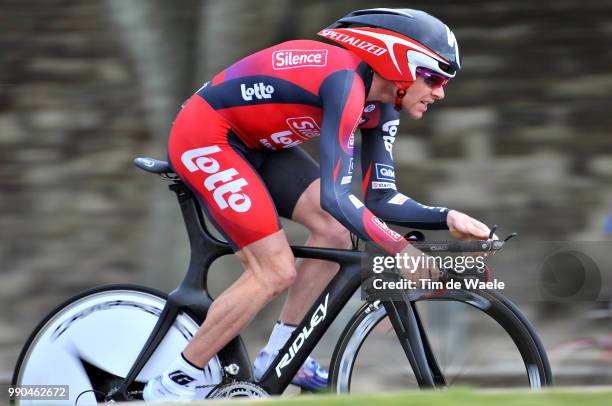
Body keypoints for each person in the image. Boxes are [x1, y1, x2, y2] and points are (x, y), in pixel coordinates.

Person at [143, 7, 494, 401]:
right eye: (433, 77)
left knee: (335, 230)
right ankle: (172, 385)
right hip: (208, 135)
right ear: (397, 61)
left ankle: (278, 355)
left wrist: (445, 217)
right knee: (273, 271)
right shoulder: (345, 83)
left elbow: (380, 198)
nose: (440, 91)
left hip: (259, 143)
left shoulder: (382, 106)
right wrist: (400, 249)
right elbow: (337, 195)